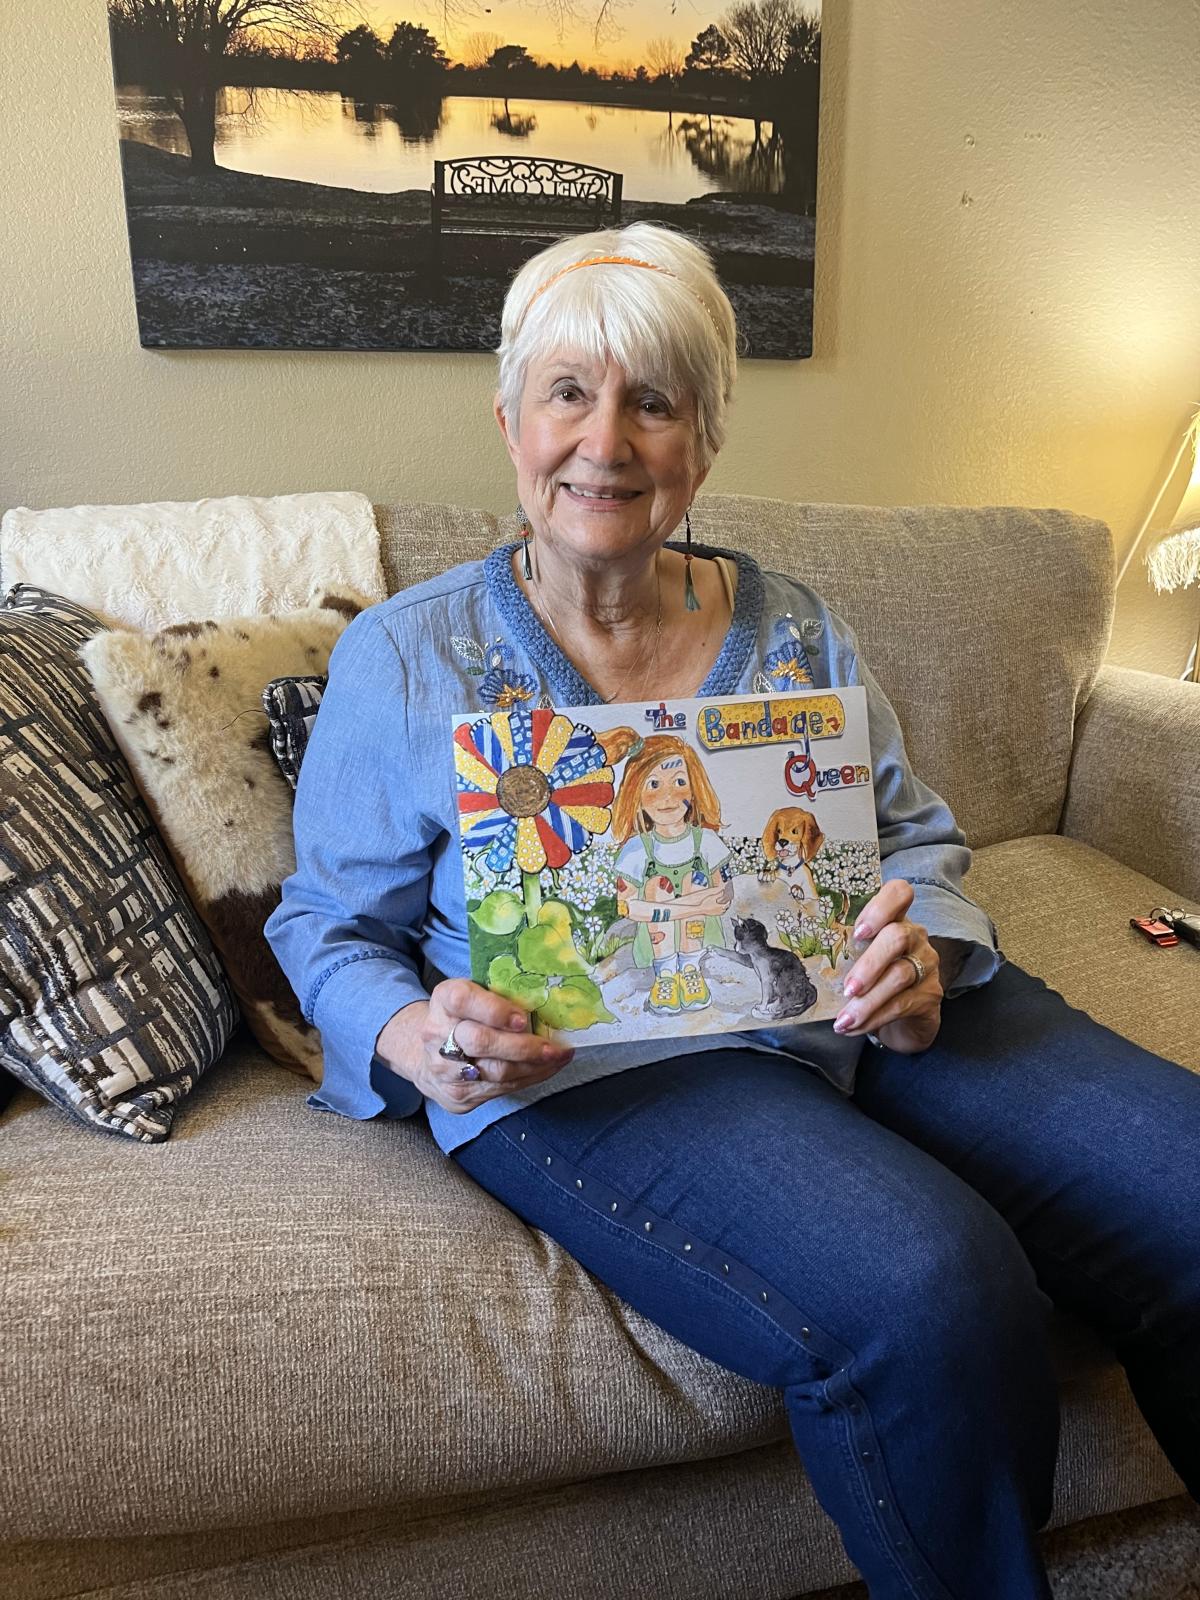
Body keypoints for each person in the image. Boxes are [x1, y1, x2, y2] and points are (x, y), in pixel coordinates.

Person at [265, 224, 1199, 1599]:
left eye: (654, 401)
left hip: (855, 1005)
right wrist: (417, 1035)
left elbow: (916, 840)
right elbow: (323, 925)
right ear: (510, 421)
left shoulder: (795, 627)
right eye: (567, 393)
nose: (606, 442)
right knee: (932, 1286)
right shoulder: (407, 655)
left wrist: (926, 954)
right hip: (593, 1059)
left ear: (703, 443)